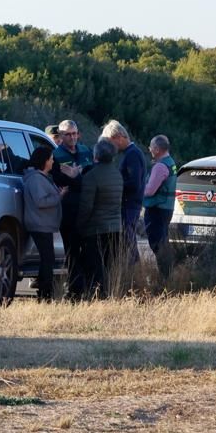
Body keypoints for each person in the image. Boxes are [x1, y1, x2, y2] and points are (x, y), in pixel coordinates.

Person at [75, 139, 124, 299]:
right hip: (115, 228)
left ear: (96, 156)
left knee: (95, 267)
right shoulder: (117, 174)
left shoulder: (91, 177)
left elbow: (86, 207)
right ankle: (108, 295)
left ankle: (96, 297)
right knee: (108, 265)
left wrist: (79, 227)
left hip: (96, 229)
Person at [50, 120, 93, 298]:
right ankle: (75, 290)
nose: (73, 137)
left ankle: (88, 287)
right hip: (68, 210)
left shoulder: (85, 150)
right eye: (68, 134)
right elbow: (59, 180)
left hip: (87, 207)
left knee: (89, 249)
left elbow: (92, 174)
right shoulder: (56, 155)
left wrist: (75, 177)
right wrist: (75, 179)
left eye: (75, 133)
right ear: (60, 136)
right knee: (72, 251)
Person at [101, 119, 149, 268]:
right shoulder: (130, 153)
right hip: (129, 204)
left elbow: (134, 184)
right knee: (127, 242)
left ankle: (135, 275)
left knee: (128, 243)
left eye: (111, 142)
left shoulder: (132, 154)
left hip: (129, 205)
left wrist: (115, 186)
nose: (111, 146)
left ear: (119, 137)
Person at [21, 144, 62, 303]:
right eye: (51, 159)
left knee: (47, 259)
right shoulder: (37, 179)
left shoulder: (40, 177)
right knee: (47, 260)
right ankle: (45, 294)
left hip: (42, 223)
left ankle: (45, 292)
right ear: (45, 161)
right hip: (40, 224)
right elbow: (40, 201)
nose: (53, 162)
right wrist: (59, 196)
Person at [142, 134, 177, 277]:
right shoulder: (171, 163)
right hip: (166, 209)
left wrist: (137, 190)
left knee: (157, 243)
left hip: (156, 209)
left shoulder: (160, 166)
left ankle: (165, 276)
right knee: (163, 242)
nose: (149, 149)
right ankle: (168, 275)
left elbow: (150, 191)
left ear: (156, 149)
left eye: (151, 147)